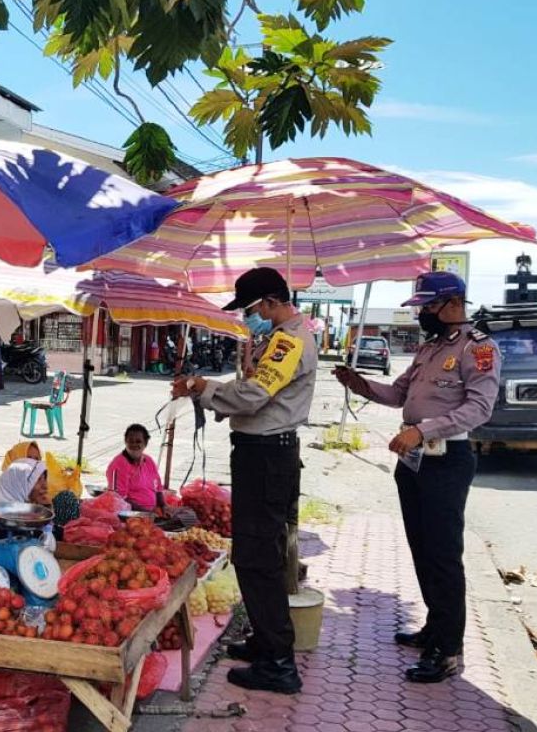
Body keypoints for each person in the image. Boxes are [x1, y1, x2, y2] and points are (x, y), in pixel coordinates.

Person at [334, 271, 501, 683]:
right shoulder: (429, 348)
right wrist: (361, 386)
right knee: (422, 548)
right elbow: (400, 394)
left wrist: (421, 431)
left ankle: (447, 651)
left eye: (428, 306)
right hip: (414, 462)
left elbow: (480, 409)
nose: (423, 313)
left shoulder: (479, 349)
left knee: (443, 555)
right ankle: (434, 627)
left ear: (453, 304)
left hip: (447, 458)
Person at [170, 266, 317, 695]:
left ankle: (278, 663)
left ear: (271, 302)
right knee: (254, 550)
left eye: (252, 309)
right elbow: (253, 388)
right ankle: (265, 641)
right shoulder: (277, 338)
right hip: (262, 454)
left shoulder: (289, 340)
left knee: (258, 557)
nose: (249, 317)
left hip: (268, 456)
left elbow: (253, 397)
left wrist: (203, 387)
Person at [0, 456, 52, 562]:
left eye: (44, 479)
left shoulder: (28, 517)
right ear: (19, 484)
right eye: (38, 480)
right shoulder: (3, 528)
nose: (45, 486)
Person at [105, 424, 164, 511]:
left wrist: (164, 506)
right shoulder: (118, 465)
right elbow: (119, 499)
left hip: (152, 512)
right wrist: (146, 512)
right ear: (125, 442)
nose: (134, 444)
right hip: (130, 514)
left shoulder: (149, 461)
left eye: (138, 441)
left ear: (145, 443)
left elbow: (158, 488)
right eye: (130, 441)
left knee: (187, 516)